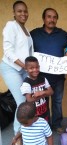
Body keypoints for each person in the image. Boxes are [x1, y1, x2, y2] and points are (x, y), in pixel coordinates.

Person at [0, 1, 33, 135]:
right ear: (14, 13)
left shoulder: (27, 31)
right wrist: (25, 66)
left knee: (27, 99)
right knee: (21, 102)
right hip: (10, 67)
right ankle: (18, 136)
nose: (23, 14)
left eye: (25, 11)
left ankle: (26, 131)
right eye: (19, 11)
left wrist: (31, 67)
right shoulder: (10, 26)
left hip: (23, 69)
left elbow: (29, 52)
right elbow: (8, 51)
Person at [20, 56, 54, 125]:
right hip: (33, 114)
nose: (35, 70)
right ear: (26, 69)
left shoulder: (43, 79)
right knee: (35, 131)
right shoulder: (26, 83)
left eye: (37, 67)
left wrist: (42, 92)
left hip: (44, 111)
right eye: (31, 68)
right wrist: (43, 95)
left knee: (45, 128)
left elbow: (51, 92)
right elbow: (29, 100)